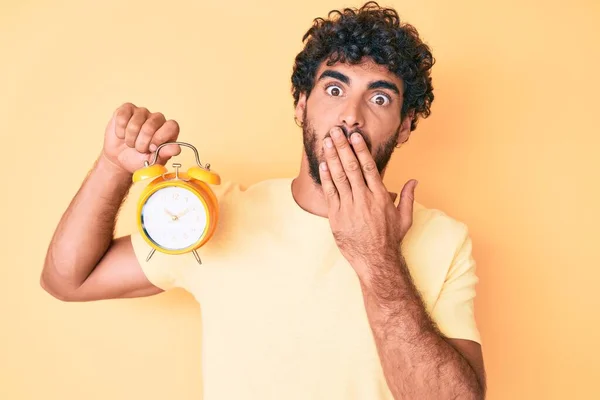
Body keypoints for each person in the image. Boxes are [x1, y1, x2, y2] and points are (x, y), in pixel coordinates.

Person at [41, 2, 486, 399]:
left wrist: (377, 258)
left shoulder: (444, 240)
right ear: (300, 103)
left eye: (380, 97)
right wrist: (114, 165)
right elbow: (68, 280)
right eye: (334, 89)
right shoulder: (213, 215)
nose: (351, 114)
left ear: (405, 126)